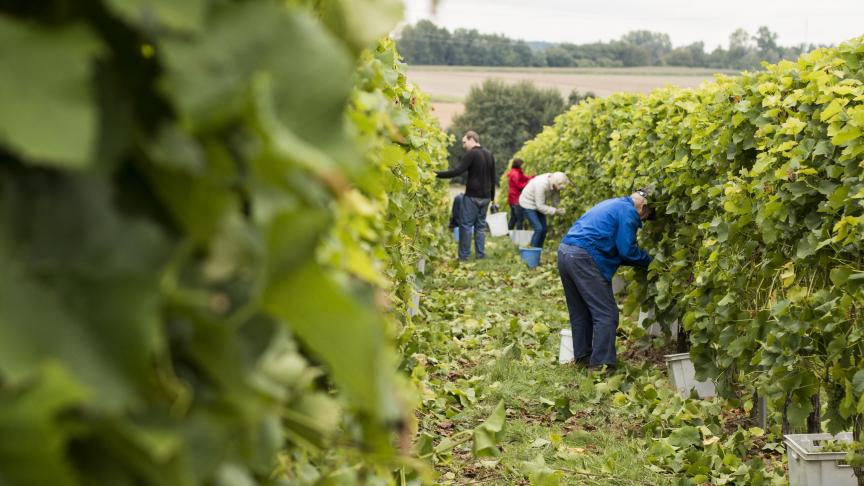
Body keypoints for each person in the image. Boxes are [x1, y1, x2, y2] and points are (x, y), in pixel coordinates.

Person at [556, 188, 654, 371]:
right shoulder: (629, 212)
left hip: (565, 251)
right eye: (646, 217)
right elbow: (627, 250)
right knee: (606, 314)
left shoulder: (613, 203)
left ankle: (583, 359)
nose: (643, 220)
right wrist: (650, 263)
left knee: (580, 311)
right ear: (644, 207)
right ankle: (601, 366)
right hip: (584, 257)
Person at [436, 131, 496, 260]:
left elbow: (457, 171)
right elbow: (493, 178)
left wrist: (436, 174)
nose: (463, 146)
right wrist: (492, 199)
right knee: (480, 227)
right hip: (485, 197)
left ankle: (464, 257)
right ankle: (480, 255)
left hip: (472, 196)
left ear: (471, 139)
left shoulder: (472, 154)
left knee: (466, 226)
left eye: (464, 142)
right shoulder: (489, 154)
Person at [519, 172, 569, 248]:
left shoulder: (555, 181)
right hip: (528, 203)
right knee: (538, 229)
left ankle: (538, 250)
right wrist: (555, 211)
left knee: (544, 229)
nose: (557, 190)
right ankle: (531, 252)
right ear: (555, 183)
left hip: (538, 203)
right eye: (557, 187)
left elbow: (556, 200)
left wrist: (559, 207)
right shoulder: (541, 184)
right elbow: (540, 206)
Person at [506, 159, 532, 230]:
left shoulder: (516, 172)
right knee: (520, 218)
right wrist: (528, 183)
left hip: (512, 197)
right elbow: (518, 185)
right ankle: (519, 235)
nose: (523, 166)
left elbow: (524, 178)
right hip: (515, 198)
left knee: (514, 217)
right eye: (522, 164)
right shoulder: (515, 173)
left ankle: (508, 232)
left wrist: (531, 178)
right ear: (519, 164)